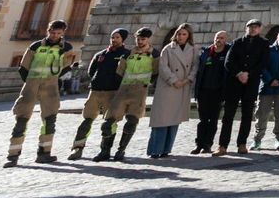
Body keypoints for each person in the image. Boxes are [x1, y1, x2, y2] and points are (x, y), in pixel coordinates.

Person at [4, 19, 75, 167]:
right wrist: (30, 82)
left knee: (50, 119)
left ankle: (44, 154)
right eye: (53, 32)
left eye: (58, 33)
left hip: (50, 87)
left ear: (63, 33)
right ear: (48, 31)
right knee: (22, 117)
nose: (55, 35)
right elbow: (24, 66)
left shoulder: (67, 48)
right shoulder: (35, 46)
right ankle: (13, 155)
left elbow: (67, 67)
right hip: (31, 85)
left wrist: (54, 80)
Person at [95, 27, 158, 162]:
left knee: (131, 122)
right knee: (109, 122)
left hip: (140, 91)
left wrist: (147, 84)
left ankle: (121, 150)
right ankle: (104, 151)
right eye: (138, 39)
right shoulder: (127, 53)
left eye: (143, 39)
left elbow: (156, 72)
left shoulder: (154, 54)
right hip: (123, 90)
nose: (140, 42)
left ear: (148, 39)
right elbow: (120, 71)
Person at [68, 28, 130, 160]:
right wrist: (96, 81)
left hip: (112, 92)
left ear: (123, 39)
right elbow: (91, 71)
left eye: (117, 37)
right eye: (112, 37)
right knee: (86, 121)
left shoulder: (126, 54)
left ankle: (105, 151)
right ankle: (77, 149)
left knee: (109, 123)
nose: (114, 40)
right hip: (95, 91)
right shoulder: (101, 54)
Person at [215, 18, 269, 156]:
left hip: (251, 83)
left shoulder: (264, 43)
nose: (253, 29)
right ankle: (222, 145)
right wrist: (239, 73)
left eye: (256, 27)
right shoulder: (237, 42)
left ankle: (242, 144)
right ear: (246, 28)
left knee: (247, 115)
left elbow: (263, 63)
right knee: (228, 116)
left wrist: (248, 74)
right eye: (250, 27)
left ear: (260, 29)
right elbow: (228, 61)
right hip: (234, 83)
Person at [147, 23, 196, 158]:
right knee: (161, 120)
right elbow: (163, 67)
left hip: (183, 87)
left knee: (174, 120)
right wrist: (174, 80)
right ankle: (155, 150)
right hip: (168, 87)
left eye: (184, 34)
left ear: (188, 36)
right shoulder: (168, 48)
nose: (180, 36)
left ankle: (166, 150)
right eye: (179, 34)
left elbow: (195, 66)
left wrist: (187, 80)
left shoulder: (193, 50)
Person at [253, 28, 279, 150]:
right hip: (266, 87)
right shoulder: (268, 50)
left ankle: (278, 139)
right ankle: (257, 140)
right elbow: (262, 67)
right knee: (261, 114)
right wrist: (270, 80)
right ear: (277, 37)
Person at [191, 30, 229, 154]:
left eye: (222, 38)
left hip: (218, 92)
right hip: (203, 90)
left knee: (213, 120)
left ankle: (207, 144)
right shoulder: (206, 52)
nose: (219, 40)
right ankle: (199, 144)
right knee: (202, 120)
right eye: (217, 37)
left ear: (225, 40)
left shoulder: (228, 52)